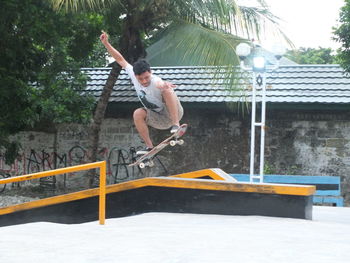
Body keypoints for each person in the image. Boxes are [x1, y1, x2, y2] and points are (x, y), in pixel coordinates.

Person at [100, 31, 184, 155]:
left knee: (166, 90)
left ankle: (176, 126)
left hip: (174, 113)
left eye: (146, 78)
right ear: (135, 76)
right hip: (159, 119)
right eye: (141, 79)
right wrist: (106, 43)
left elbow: (160, 84)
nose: (144, 81)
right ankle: (149, 148)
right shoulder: (132, 74)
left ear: (150, 72)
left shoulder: (156, 80)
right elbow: (120, 59)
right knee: (137, 113)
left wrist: (164, 85)